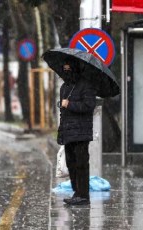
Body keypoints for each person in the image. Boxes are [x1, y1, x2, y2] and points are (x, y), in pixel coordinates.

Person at [57, 59, 97, 205]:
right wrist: (61, 132)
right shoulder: (64, 88)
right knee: (71, 163)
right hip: (68, 133)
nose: (66, 72)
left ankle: (83, 195)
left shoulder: (86, 85)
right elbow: (63, 112)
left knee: (81, 164)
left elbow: (89, 105)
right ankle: (76, 192)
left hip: (81, 132)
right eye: (64, 69)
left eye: (69, 69)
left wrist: (70, 104)